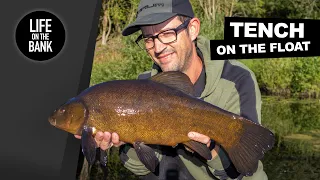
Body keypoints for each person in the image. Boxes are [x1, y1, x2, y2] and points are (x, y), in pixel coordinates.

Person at [76, 0, 268, 179]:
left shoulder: (236, 79)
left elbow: (242, 174)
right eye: (148, 38)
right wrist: (127, 140)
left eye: (167, 33)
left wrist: (210, 148)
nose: (158, 47)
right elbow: (144, 169)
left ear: (192, 29)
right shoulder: (142, 85)